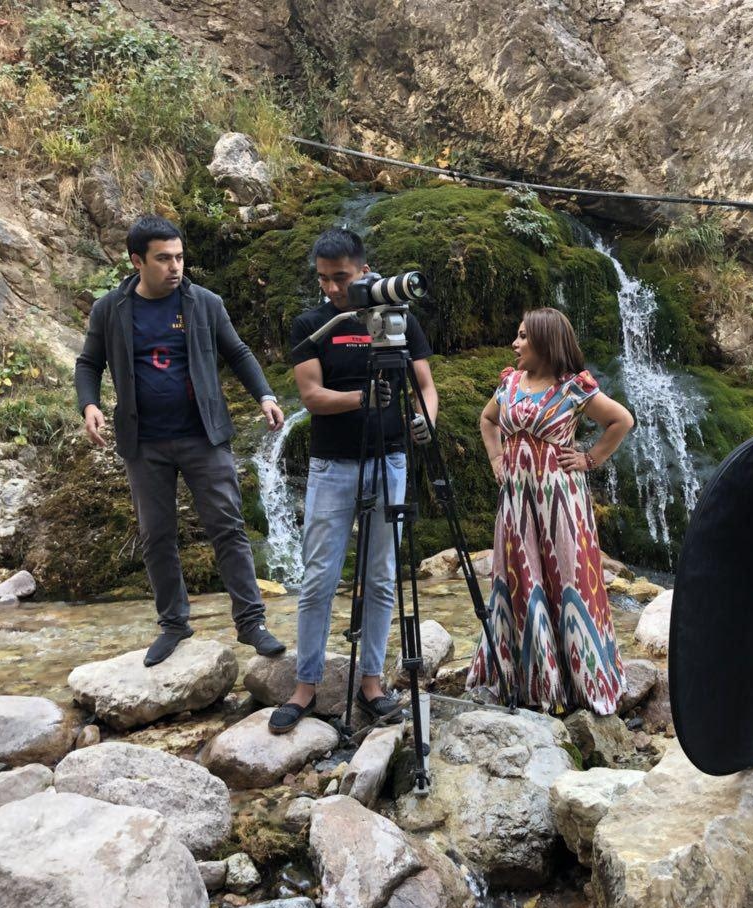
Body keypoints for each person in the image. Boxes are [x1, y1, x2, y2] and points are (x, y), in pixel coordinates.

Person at [74, 215, 287, 667]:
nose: (175, 266)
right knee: (156, 536)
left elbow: (238, 352)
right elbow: (88, 363)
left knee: (228, 528)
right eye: (164, 259)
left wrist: (266, 395)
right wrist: (89, 405)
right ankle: (173, 624)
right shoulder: (110, 309)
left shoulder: (204, 303)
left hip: (204, 436)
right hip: (144, 442)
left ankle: (251, 623)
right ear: (137, 261)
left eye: (179, 257)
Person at [270, 228, 438, 734]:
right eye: (323, 278)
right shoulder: (312, 324)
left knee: (382, 576)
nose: (331, 288)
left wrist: (425, 421)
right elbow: (312, 397)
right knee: (319, 578)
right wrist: (361, 399)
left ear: (365, 271)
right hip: (332, 466)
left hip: (390, 460)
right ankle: (305, 686)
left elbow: (425, 386)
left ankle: (371, 683)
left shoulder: (399, 321)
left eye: (340, 277)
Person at [467, 307, 633, 714]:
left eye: (523, 336)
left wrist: (590, 458)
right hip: (516, 501)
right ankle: (523, 680)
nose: (515, 343)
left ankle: (578, 682)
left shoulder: (572, 388)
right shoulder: (509, 383)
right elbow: (487, 420)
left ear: (545, 341)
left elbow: (621, 421)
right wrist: (495, 459)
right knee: (517, 578)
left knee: (568, 580)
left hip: (559, 501)